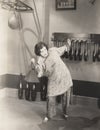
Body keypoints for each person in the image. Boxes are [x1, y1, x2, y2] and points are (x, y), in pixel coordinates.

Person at [34, 39, 73, 122]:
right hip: (53, 80)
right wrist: (38, 70)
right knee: (50, 97)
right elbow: (39, 72)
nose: (44, 52)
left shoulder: (53, 50)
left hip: (64, 76)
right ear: (39, 53)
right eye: (41, 51)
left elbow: (64, 48)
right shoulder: (40, 61)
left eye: (44, 49)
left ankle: (65, 112)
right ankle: (49, 115)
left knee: (66, 97)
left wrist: (68, 45)